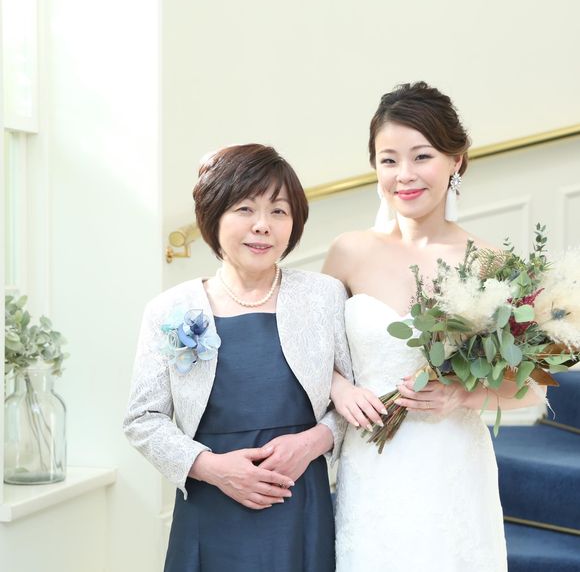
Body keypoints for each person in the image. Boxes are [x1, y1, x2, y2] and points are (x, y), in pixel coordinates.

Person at [324, 82, 546, 572]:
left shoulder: (490, 263)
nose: (403, 175)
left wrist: (460, 395)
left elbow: (531, 387)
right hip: (372, 465)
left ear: (456, 161)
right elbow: (312, 352)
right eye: (388, 160)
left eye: (421, 156)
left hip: (451, 466)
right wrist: (340, 388)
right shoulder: (348, 252)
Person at [124, 144, 352, 572]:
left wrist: (312, 443)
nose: (262, 225)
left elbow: (352, 400)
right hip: (210, 506)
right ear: (214, 216)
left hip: (300, 503)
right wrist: (211, 467)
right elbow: (142, 418)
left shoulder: (324, 297)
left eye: (279, 211)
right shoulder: (170, 309)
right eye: (245, 209)